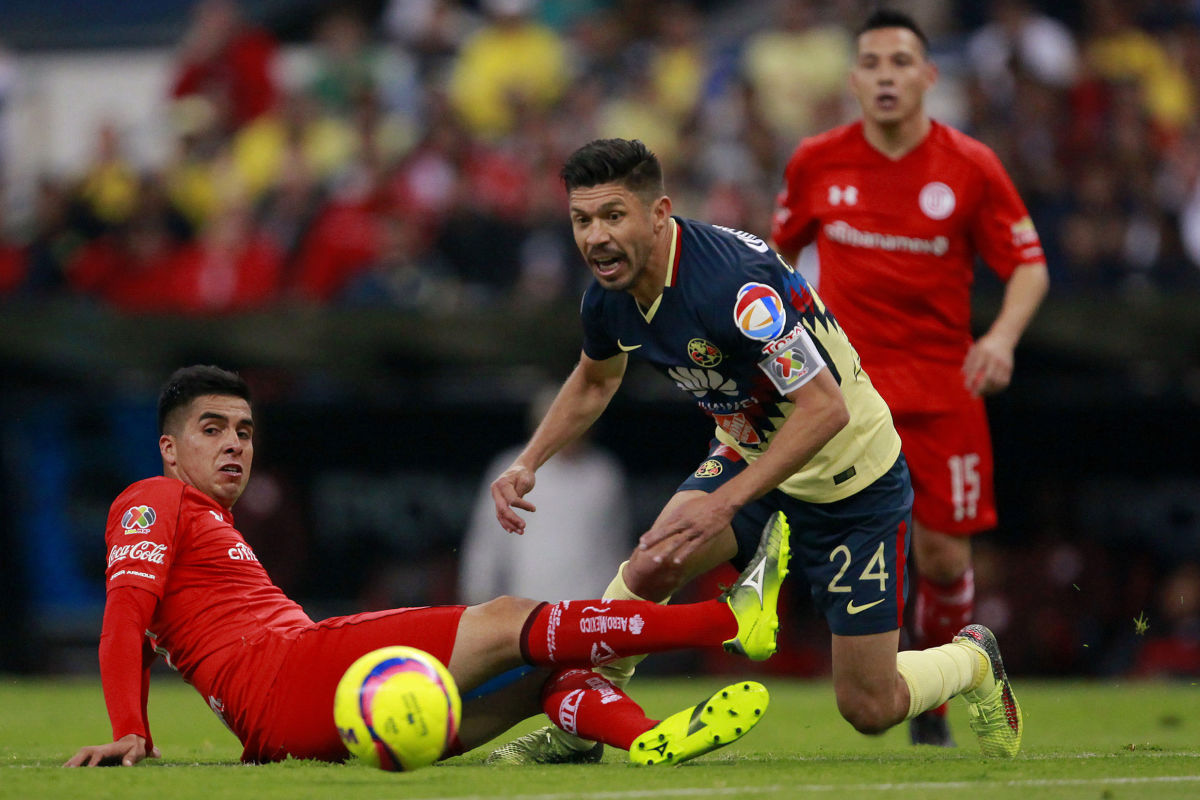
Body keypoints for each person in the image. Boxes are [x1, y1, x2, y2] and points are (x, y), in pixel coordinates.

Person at [486, 137, 1023, 765]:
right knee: (655, 559)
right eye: (582, 220)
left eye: (612, 216)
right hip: (750, 457)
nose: (595, 237)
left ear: (658, 214)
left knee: (869, 706)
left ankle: (973, 659)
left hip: (849, 482)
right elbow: (594, 379)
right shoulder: (609, 296)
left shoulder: (734, 290)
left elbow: (824, 408)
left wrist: (725, 505)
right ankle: (582, 728)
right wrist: (528, 461)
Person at [65, 364, 789, 768]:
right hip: (292, 674)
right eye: (213, 429)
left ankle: (645, 739)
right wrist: (134, 730)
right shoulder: (152, 496)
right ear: (167, 448)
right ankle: (726, 620)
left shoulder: (210, 523)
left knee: (536, 679)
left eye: (246, 431)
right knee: (507, 620)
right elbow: (123, 617)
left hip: (301, 705)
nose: (235, 446)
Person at [770, 9, 1050, 747]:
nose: (886, 75)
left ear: (929, 77)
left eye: (901, 62)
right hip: (850, 396)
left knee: (944, 555)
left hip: (942, 389)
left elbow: (1027, 263)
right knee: (854, 544)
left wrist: (1001, 337)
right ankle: (894, 687)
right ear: (854, 79)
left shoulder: (969, 165)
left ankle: (934, 694)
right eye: (872, 62)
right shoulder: (816, 162)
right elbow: (771, 262)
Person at [459, 383, 632, 604]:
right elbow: (486, 543)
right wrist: (477, 597)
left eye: (577, 421)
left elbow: (615, 543)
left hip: (589, 605)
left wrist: (619, 603)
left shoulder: (604, 473)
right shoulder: (509, 469)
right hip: (525, 604)